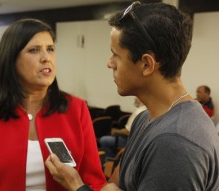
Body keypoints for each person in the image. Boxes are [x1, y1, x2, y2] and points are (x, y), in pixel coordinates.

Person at [45, 1, 219, 191]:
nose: (109, 63)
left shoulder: (175, 141)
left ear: (146, 64)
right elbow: (111, 185)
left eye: (116, 55)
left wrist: (76, 185)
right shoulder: (145, 118)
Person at [0, 18, 106, 190]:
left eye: (50, 49)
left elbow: (94, 182)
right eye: (34, 50)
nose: (46, 58)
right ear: (11, 58)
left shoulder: (76, 108)